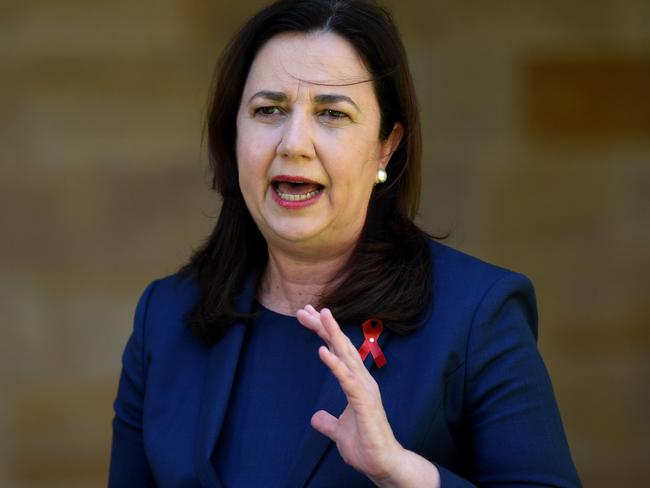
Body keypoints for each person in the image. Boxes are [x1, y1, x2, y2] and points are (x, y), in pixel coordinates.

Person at [109, 0, 581, 486]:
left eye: (331, 113)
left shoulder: (477, 316)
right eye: (268, 110)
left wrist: (402, 470)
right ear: (234, 134)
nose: (293, 143)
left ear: (386, 145)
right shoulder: (165, 318)